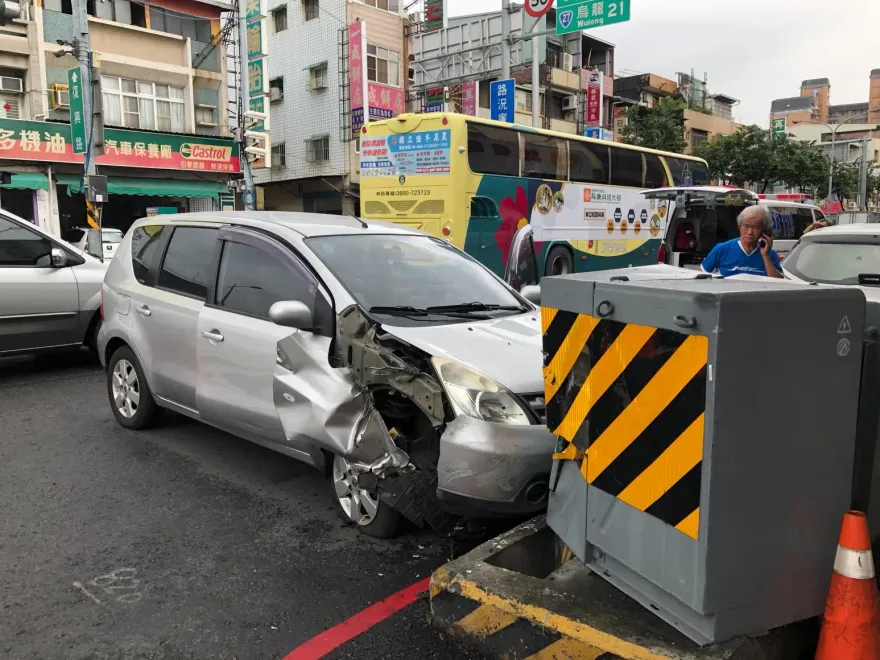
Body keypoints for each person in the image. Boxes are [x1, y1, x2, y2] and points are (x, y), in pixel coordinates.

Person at [700, 206, 784, 278]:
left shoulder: (770, 254)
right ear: (739, 227)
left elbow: (778, 283)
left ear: (764, 230)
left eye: (756, 228)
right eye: (746, 226)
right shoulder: (722, 249)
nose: (750, 232)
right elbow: (700, 277)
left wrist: (766, 257)